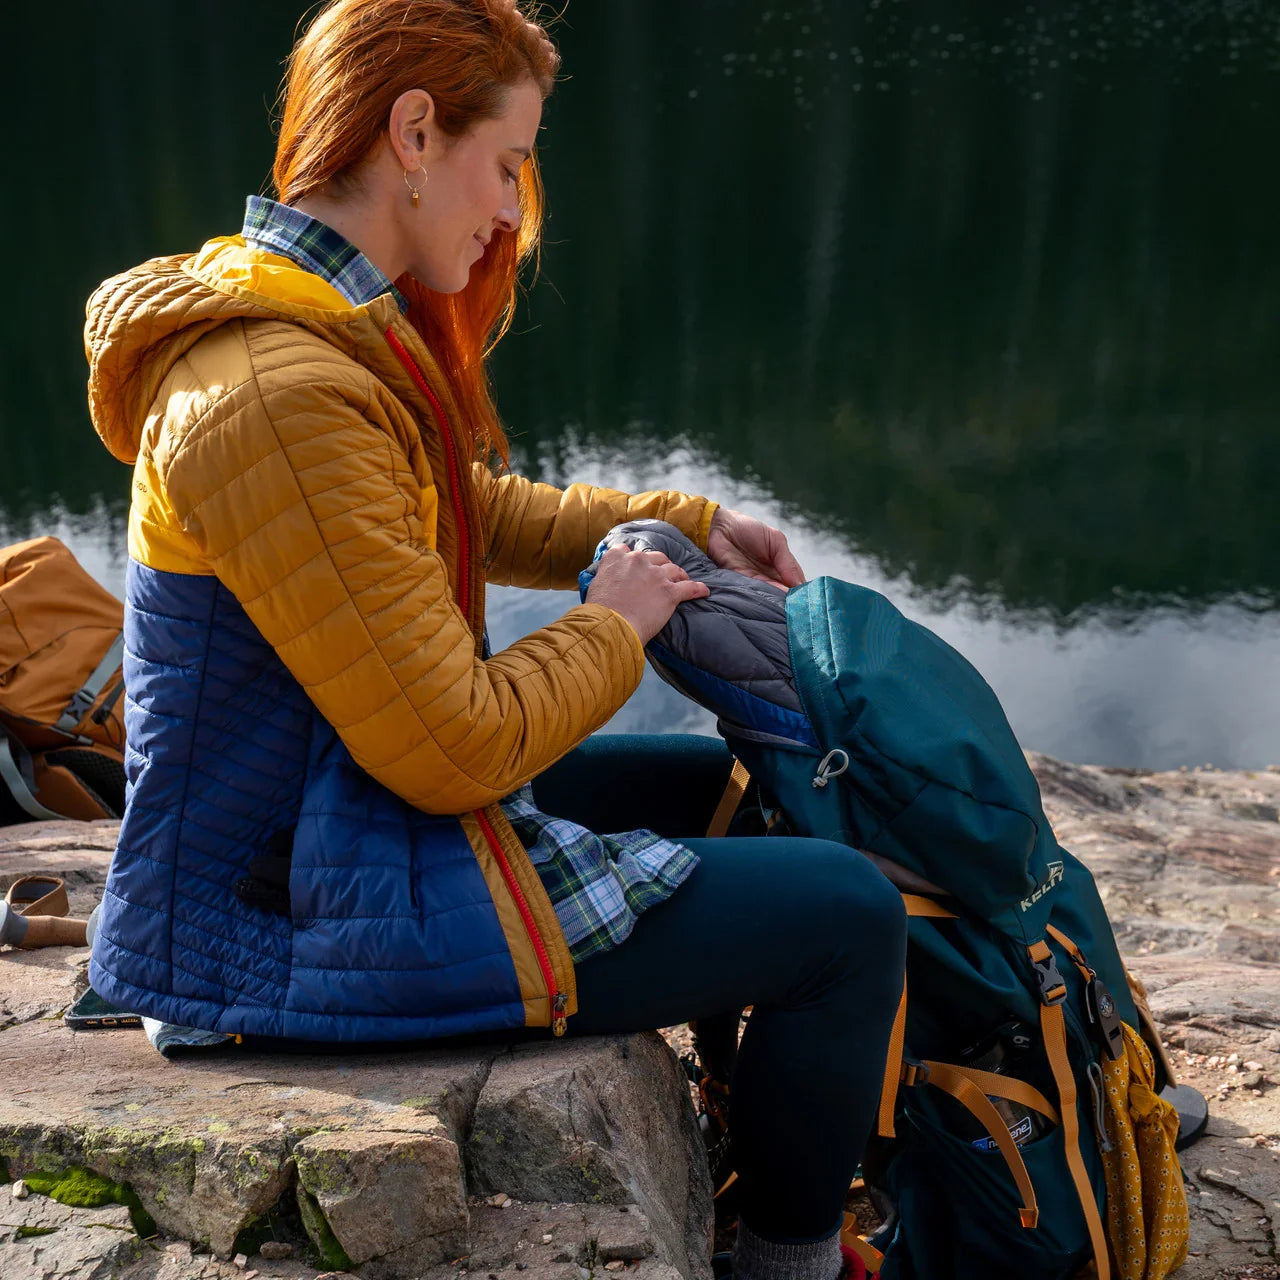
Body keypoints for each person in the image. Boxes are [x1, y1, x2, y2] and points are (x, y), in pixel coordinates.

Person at [83, 3, 906, 1278]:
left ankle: (801, 1130)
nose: (515, 210)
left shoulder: (309, 328)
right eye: (509, 163)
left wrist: (687, 524)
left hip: (344, 832)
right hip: (296, 923)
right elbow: (453, 747)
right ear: (414, 132)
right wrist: (612, 622)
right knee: (847, 916)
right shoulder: (276, 394)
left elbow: (465, 509)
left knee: (731, 787)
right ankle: (788, 1260)